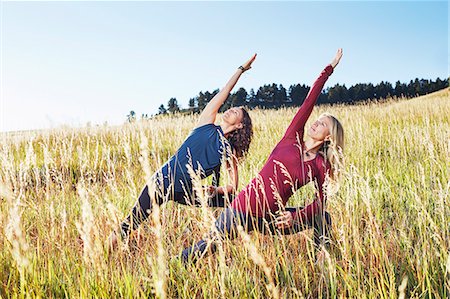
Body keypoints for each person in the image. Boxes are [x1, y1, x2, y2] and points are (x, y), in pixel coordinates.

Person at [181, 49, 344, 263]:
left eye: (323, 124)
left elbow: (321, 202)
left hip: (270, 218)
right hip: (242, 208)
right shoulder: (292, 138)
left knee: (323, 218)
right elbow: (308, 102)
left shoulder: (320, 165)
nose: (315, 123)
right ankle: (175, 264)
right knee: (204, 248)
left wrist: (295, 215)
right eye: (317, 120)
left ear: (328, 137)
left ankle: (322, 265)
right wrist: (328, 69)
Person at [109, 54, 257, 247]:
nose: (230, 110)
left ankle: (257, 220)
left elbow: (232, 187)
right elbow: (225, 92)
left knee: (235, 200)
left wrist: (215, 189)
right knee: (130, 223)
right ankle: (105, 253)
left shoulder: (230, 152)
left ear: (239, 126)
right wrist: (241, 69)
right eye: (232, 108)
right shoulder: (206, 122)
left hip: (187, 190)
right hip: (163, 180)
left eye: (236, 112)